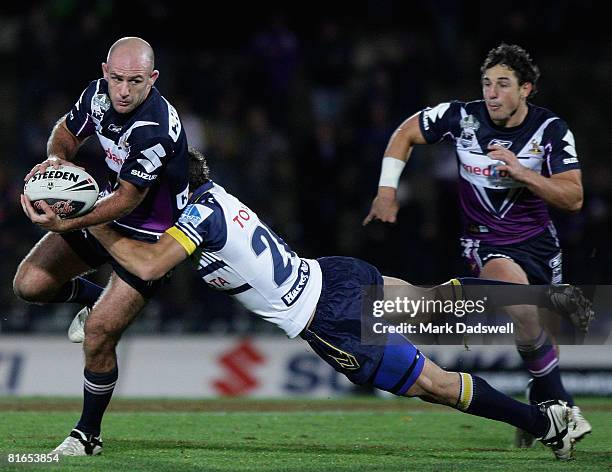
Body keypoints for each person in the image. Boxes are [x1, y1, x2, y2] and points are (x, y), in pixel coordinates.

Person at [23, 148, 583, 461]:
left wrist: (79, 215)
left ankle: (546, 422)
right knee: (437, 301)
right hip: (331, 274)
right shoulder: (214, 197)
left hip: (326, 320)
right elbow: (151, 252)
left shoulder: (197, 219)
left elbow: (147, 268)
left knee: (434, 384)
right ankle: (554, 306)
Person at [363, 43, 591, 446]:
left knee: (534, 332)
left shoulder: (550, 130)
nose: (492, 93)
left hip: (541, 246)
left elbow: (573, 199)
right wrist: (386, 190)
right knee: (522, 306)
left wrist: (523, 173)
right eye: (487, 83)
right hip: (485, 243)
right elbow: (406, 132)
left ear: (527, 89)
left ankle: (540, 402)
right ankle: (560, 407)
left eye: (503, 84)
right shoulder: (462, 117)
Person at [14, 37, 189, 455]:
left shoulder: (155, 128)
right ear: (104, 71)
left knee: (98, 335)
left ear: (153, 79)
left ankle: (86, 435)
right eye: (116, 79)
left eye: (135, 81)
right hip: (110, 210)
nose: (124, 90)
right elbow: (66, 132)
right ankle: (97, 299)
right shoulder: (96, 94)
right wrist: (57, 160)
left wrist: (66, 220)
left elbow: (130, 198)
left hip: (154, 236)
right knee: (30, 285)